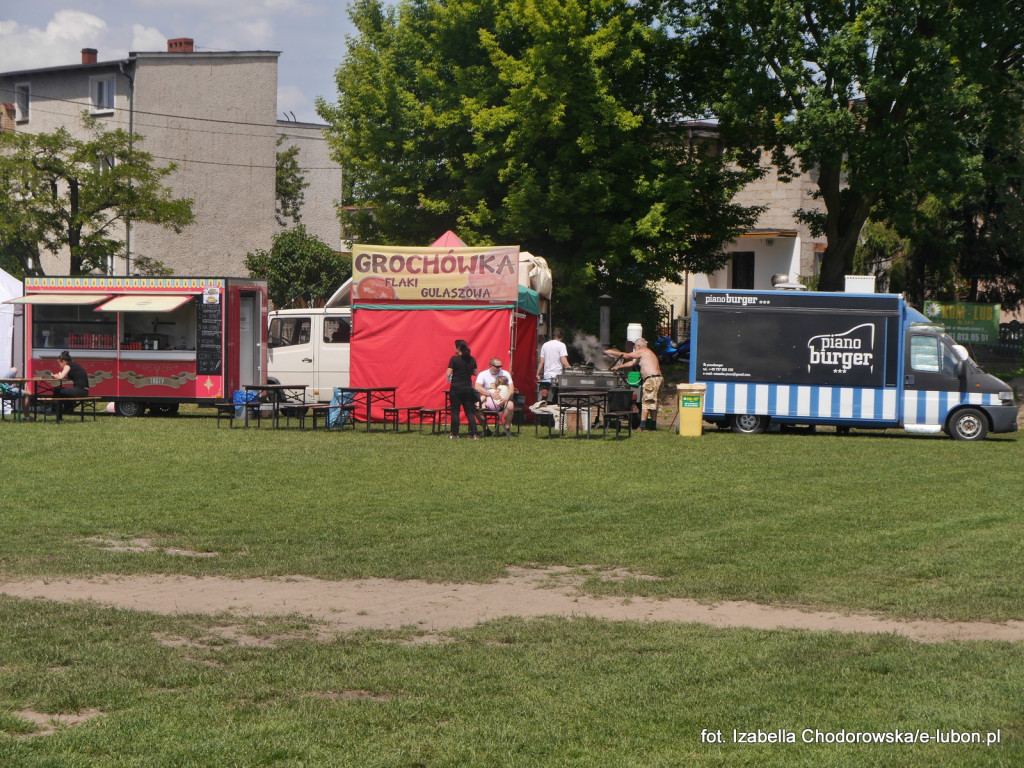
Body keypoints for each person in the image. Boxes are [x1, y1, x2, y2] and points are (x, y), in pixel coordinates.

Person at [604, 337, 663, 430]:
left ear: (638, 346)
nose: (635, 349)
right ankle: (653, 425)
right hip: (656, 378)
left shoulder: (643, 350)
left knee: (646, 402)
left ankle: (642, 426)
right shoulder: (645, 353)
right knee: (652, 402)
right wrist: (618, 367)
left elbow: (627, 356)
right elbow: (632, 363)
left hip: (652, 379)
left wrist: (612, 352)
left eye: (635, 347)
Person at [445, 339, 480, 439]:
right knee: (470, 412)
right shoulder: (472, 359)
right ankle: (474, 434)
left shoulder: (454, 359)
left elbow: (448, 373)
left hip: (456, 388)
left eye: (454, 346)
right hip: (467, 388)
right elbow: (475, 373)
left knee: (455, 411)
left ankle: (455, 434)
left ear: (458, 348)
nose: (454, 348)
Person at [475, 358, 515, 437]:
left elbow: (511, 388)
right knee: (476, 407)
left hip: (503, 397)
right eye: (497, 366)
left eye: (501, 366)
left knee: (510, 405)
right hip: (488, 396)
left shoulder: (505, 373)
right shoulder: (483, 374)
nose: (499, 368)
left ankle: (507, 429)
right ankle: (486, 429)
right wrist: (490, 394)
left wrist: (506, 398)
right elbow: (477, 387)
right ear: (490, 366)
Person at [535, 327, 569, 402]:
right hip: (557, 378)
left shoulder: (545, 345)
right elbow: (564, 361)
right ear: (561, 337)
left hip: (546, 377)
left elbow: (541, 362)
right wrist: (571, 370)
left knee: (546, 400)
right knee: (557, 401)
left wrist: (537, 374)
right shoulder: (561, 345)